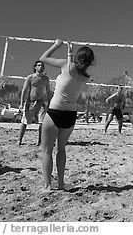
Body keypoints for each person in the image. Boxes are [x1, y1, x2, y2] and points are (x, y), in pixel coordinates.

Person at [39, 39, 94, 191]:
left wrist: (57, 45)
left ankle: (48, 185)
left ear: (77, 57)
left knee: (46, 150)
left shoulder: (66, 65)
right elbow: (72, 71)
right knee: (61, 149)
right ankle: (61, 184)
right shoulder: (85, 77)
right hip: (70, 114)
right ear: (90, 62)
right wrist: (69, 53)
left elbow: (43, 58)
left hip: (55, 110)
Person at [18, 60, 52, 146]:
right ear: (35, 67)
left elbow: (48, 91)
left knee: (42, 123)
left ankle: (40, 141)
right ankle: (19, 140)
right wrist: (22, 103)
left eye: (42, 66)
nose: (40, 67)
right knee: (25, 122)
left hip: (41, 102)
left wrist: (49, 103)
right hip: (31, 102)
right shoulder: (30, 77)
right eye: (39, 65)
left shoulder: (45, 79)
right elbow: (24, 90)